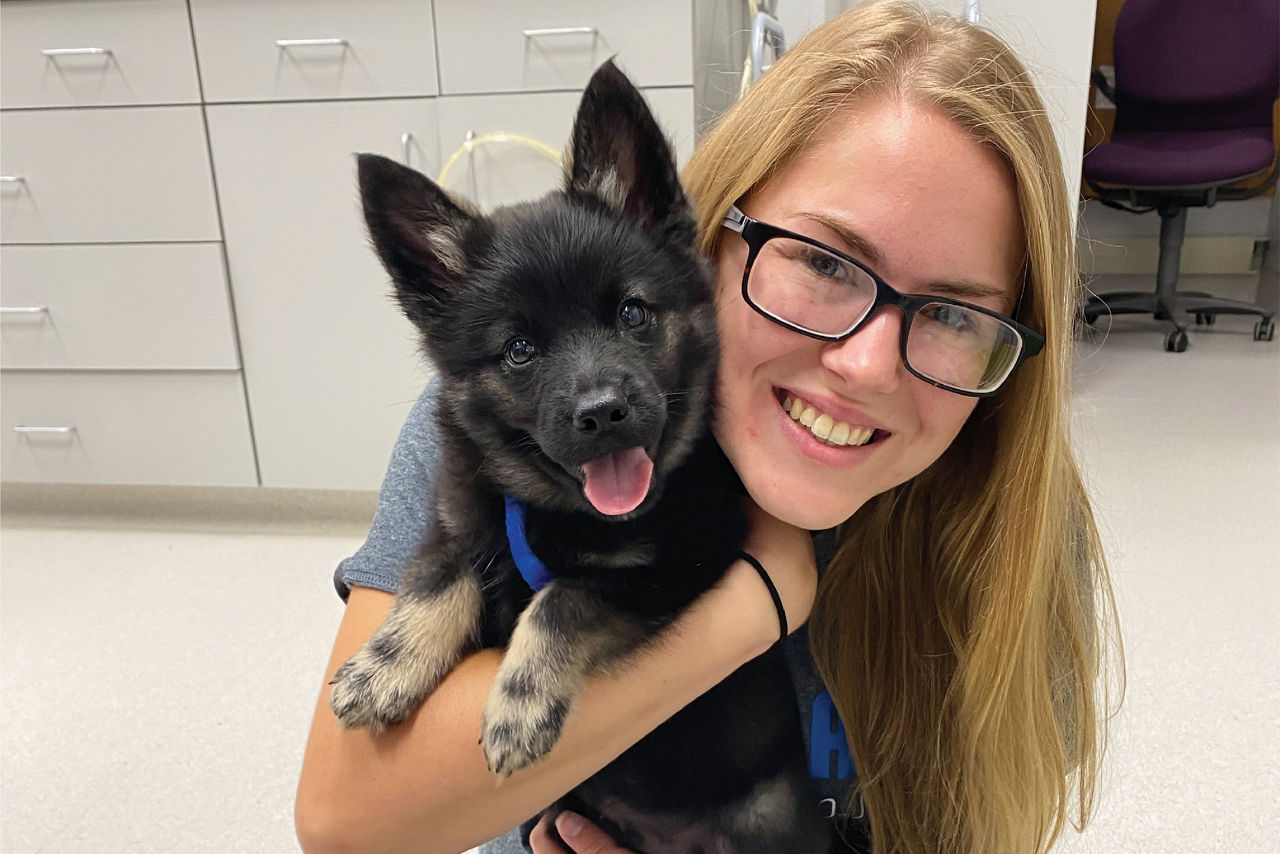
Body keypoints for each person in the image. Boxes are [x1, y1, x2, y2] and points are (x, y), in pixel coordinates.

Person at [295, 3, 1121, 853]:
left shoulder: (1012, 524)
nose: (866, 367)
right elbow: (343, 822)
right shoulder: (490, 440)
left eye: (951, 313)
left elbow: (987, 828)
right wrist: (752, 604)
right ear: (711, 237)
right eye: (826, 262)